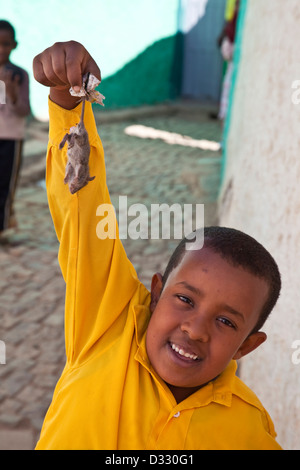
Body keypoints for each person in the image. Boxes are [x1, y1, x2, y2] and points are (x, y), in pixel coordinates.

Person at [33, 41, 282, 450]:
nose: (195, 329)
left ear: (248, 345)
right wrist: (65, 99)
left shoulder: (251, 434)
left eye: (226, 323)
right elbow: (82, 214)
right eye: (185, 299)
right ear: (155, 292)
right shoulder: (107, 326)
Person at [0, 20, 30, 236]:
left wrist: (10, 92)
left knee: (5, 185)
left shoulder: (19, 75)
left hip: (11, 138)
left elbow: (23, 109)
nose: (1, 49)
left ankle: (2, 227)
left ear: (14, 45)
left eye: (5, 44)